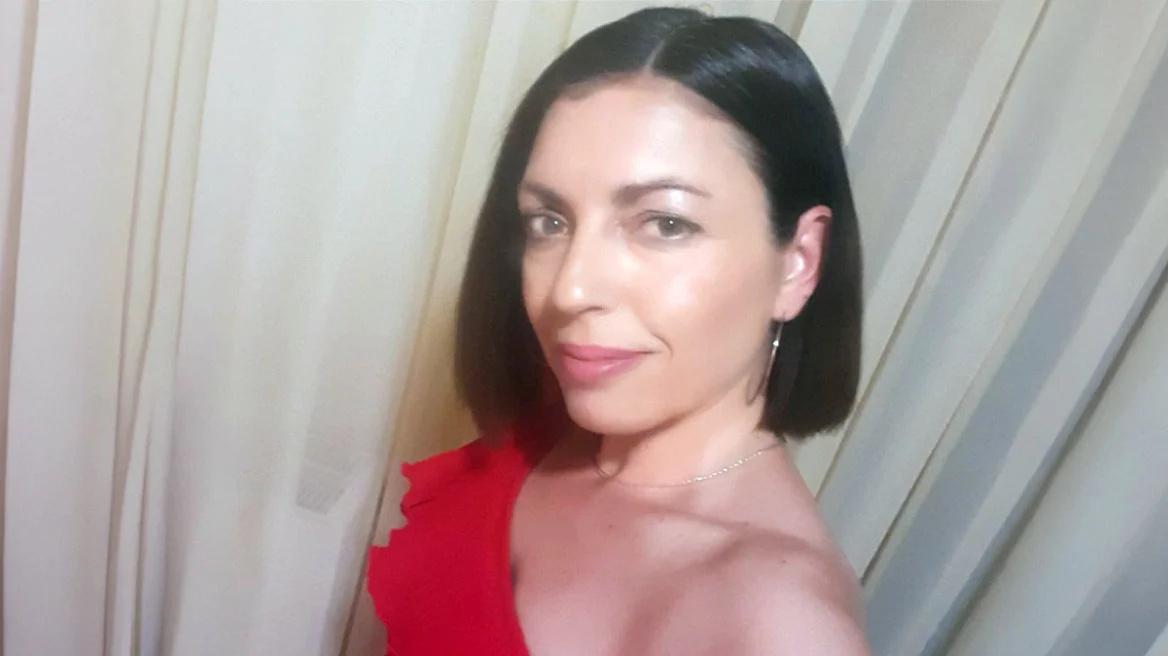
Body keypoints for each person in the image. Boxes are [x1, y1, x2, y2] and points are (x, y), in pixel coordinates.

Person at [367, 5, 868, 654]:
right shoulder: (559, 428)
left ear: (798, 261)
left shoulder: (779, 628)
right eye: (549, 222)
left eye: (665, 223)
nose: (569, 290)